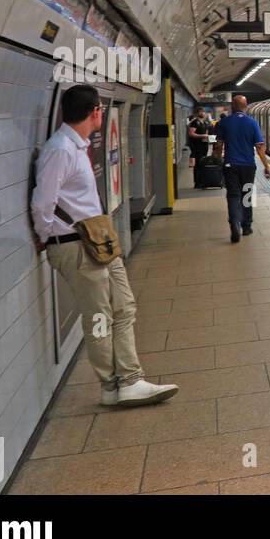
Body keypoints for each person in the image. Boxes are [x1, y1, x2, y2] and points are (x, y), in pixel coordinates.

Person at [30, 85, 179, 407]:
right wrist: (46, 236)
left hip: (96, 242)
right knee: (100, 315)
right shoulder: (61, 150)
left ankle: (124, 382)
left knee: (123, 308)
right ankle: (117, 384)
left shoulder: (74, 146)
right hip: (76, 244)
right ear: (96, 111)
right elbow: (43, 202)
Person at [215, 95, 270, 242]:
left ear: (232, 107)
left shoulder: (223, 123)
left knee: (233, 195)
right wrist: (266, 166)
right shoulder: (252, 123)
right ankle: (247, 226)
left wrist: (217, 159)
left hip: (230, 165)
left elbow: (219, 146)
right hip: (248, 166)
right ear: (246, 106)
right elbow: (259, 147)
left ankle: (234, 221)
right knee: (247, 195)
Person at [187, 107, 213, 188]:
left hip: (204, 145)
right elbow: (191, 133)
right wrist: (202, 136)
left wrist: (208, 137)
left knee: (203, 162)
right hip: (197, 146)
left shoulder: (204, 122)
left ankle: (202, 180)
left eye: (203, 112)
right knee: (198, 163)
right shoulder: (195, 122)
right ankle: (197, 183)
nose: (203, 113)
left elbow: (206, 132)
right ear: (197, 113)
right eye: (201, 112)